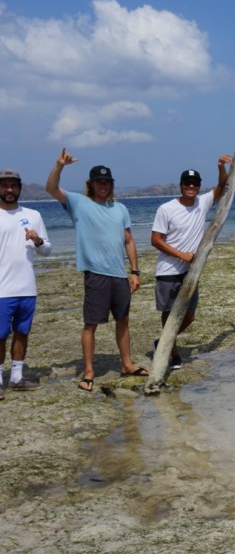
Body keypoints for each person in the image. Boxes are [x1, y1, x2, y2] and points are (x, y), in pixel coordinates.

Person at [45, 148, 147, 391]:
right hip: (96, 275)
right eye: (99, 181)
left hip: (119, 275)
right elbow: (50, 188)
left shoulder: (120, 209)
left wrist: (135, 271)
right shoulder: (78, 203)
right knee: (91, 324)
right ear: (90, 184)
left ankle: (127, 364)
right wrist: (59, 166)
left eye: (107, 182)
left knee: (123, 320)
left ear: (111, 185)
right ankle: (89, 371)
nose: (103, 185)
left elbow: (129, 241)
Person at [150, 155, 231, 369]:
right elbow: (155, 240)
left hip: (191, 272)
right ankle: (172, 353)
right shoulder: (166, 209)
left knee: (190, 315)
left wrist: (221, 167)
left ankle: (163, 342)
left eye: (195, 183)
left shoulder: (202, 203)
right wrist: (180, 254)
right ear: (181, 185)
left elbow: (223, 185)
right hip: (168, 270)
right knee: (168, 313)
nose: (192, 186)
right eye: (188, 183)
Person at [0, 168, 52, 398]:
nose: (9, 190)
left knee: (22, 332)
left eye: (13, 185)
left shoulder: (33, 215)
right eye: (4, 185)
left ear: (20, 188)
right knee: (0, 335)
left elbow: (47, 251)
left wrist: (38, 240)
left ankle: (17, 377)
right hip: (1, 289)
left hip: (27, 288)